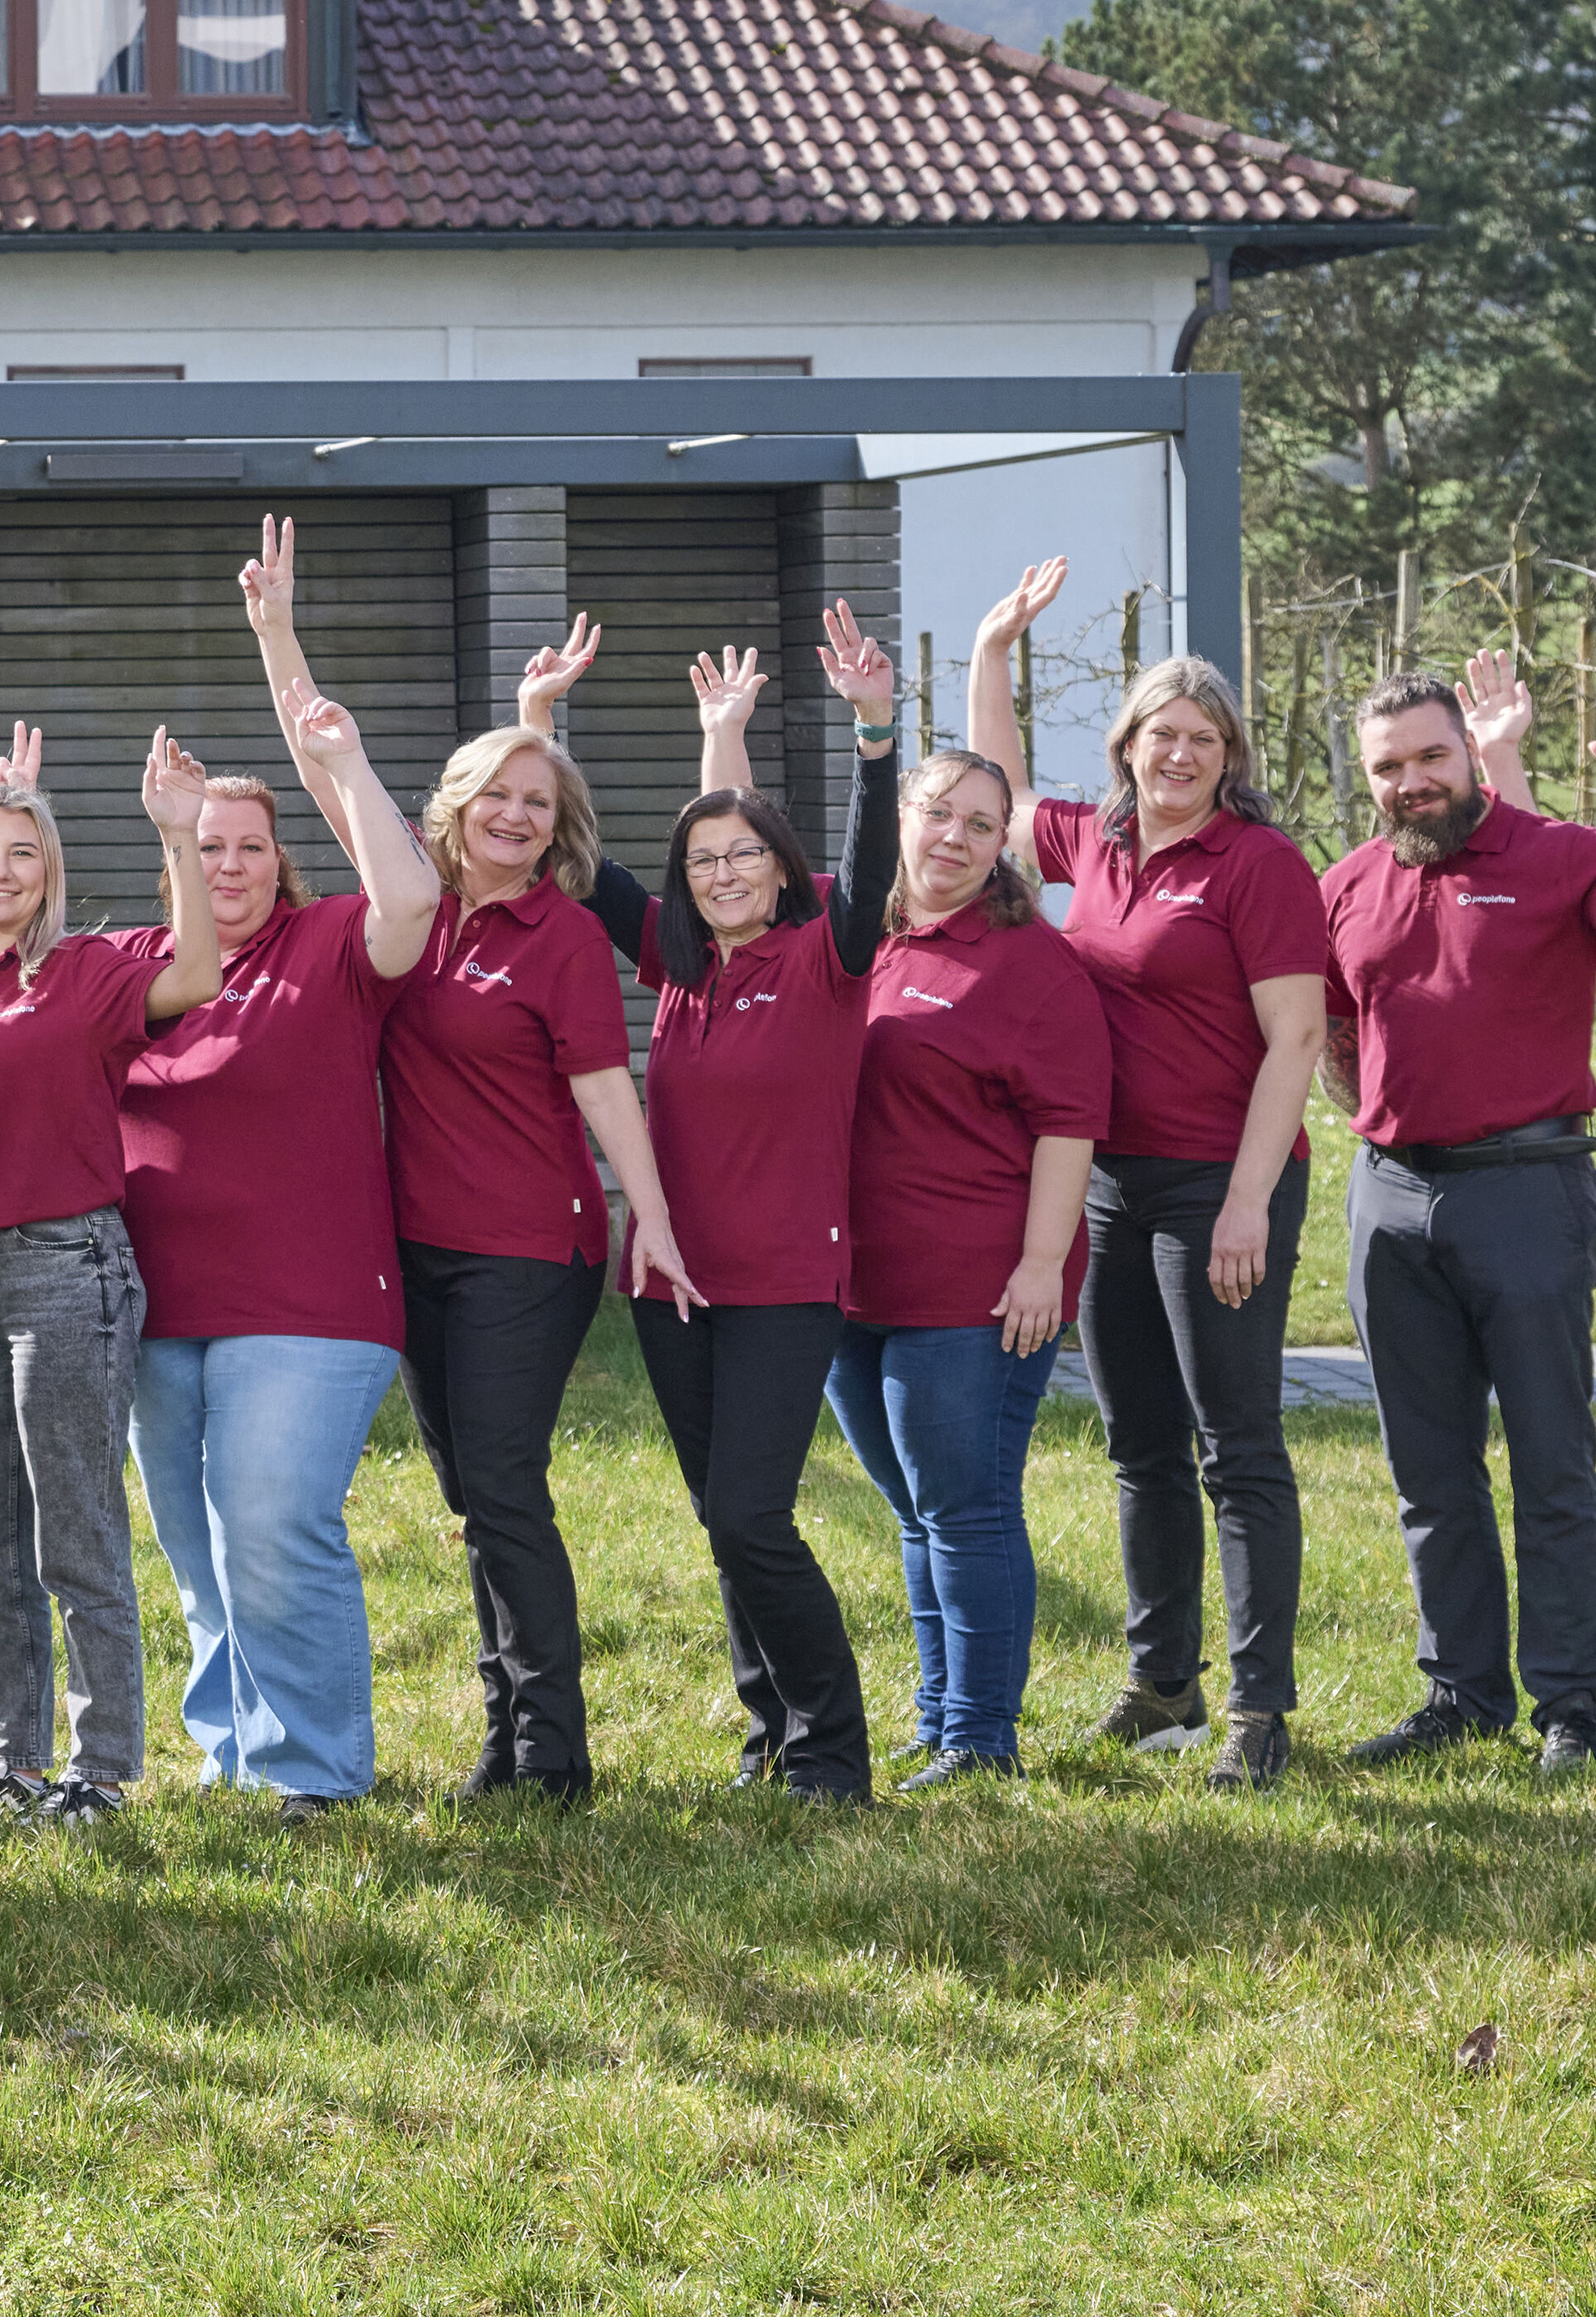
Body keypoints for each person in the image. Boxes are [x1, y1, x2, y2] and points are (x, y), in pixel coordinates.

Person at [107, 518, 460, 1822]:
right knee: (198, 1554)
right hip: (161, 1310)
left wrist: (283, 652)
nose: (229, 863)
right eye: (205, 846)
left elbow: (411, 891)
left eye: (248, 844)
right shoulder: (132, 964)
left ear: (280, 858)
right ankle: (233, 1747)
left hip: (308, 1306)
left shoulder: (329, 948)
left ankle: (312, 1768)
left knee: (268, 1522)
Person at [967, 560, 1338, 1790]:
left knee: (1235, 1442)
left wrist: (1244, 1200)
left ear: (1227, 753)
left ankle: (1257, 1708)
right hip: (1106, 1184)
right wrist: (989, 650)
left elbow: (1293, 1037)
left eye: (1201, 736)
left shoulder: (1256, 864)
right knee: (1135, 1441)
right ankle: (1161, 1680)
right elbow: (999, 788)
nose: (1176, 753)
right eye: (1157, 733)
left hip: (1217, 1182)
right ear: (1123, 745)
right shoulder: (1091, 837)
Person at [381, 617, 760, 1799]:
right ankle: (503, 1733)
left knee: (500, 1481)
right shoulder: (406, 910)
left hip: (527, 1250)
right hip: (411, 1249)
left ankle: (551, 1752)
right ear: (451, 807)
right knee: (465, 1495)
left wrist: (648, 1215)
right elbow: (327, 768)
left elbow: (607, 1088)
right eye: (494, 798)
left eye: (537, 805)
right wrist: (527, 715)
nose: (514, 816)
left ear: (560, 830)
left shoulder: (557, 936)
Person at [1319, 670, 1596, 1776]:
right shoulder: (1346, 881)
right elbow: (1322, 1025)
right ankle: (1458, 1690)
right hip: (1386, 1192)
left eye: (1427, 757)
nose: (1409, 782)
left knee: (1549, 1455)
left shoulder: (1555, 857)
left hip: (1523, 1186)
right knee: (1425, 1463)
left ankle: (1569, 1707)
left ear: (1464, 752)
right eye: (1386, 767)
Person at [0, 725, 218, 1819]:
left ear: (49, 875)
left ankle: (100, 1767)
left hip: (67, 1266)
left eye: (22, 852)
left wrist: (176, 835)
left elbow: (199, 971)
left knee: (74, 1526)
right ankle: (12, 1757)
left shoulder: (84, 972)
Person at [629, 601, 904, 1805]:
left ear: (785, 869)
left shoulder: (825, 958)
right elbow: (664, 841)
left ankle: (831, 1749)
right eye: (702, 864)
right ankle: (767, 1732)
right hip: (667, 1284)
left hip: (785, 1279)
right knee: (720, 1520)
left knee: (751, 1512)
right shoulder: (682, 968)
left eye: (746, 856)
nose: (723, 871)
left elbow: (868, 861)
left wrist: (875, 732)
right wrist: (716, 736)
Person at [831, 744, 1112, 1789]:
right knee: (913, 1510)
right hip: (854, 1281)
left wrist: (1042, 1265)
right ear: (900, 816)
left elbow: (1069, 1126)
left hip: (978, 1286)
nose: (952, 837)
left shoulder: (1030, 964)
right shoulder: (868, 937)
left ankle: (980, 1738)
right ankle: (936, 1714)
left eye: (979, 824)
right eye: (936, 813)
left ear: (1003, 846)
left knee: (964, 1504)